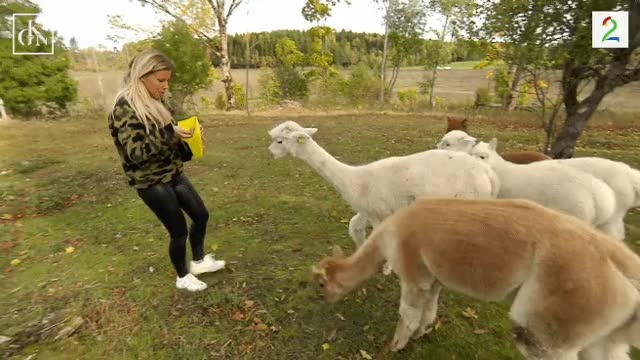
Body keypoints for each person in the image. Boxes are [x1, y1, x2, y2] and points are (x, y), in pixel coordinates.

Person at [108, 49, 225, 291]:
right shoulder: (124, 107)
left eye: (167, 81)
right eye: (161, 80)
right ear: (142, 76)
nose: (165, 87)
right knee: (178, 231)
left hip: (172, 173)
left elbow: (168, 143)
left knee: (201, 215)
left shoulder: (154, 101)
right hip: (150, 182)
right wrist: (169, 133)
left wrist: (189, 143)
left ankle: (199, 262)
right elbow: (136, 154)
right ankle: (182, 277)